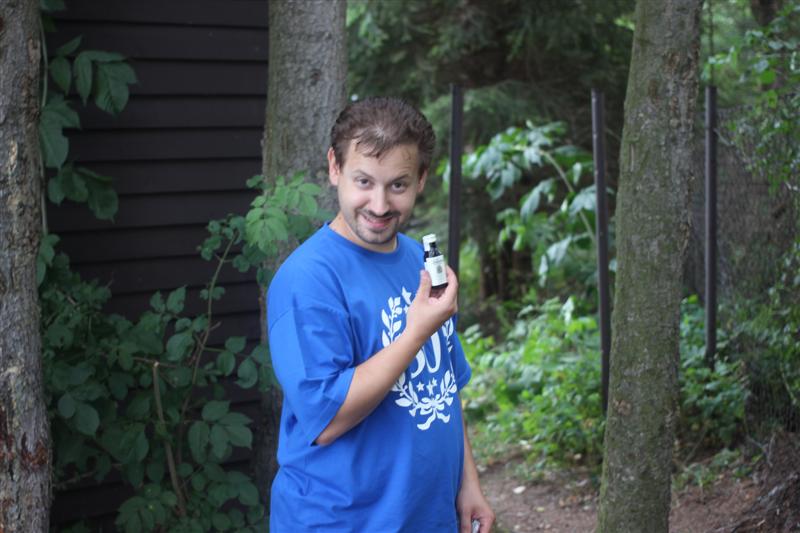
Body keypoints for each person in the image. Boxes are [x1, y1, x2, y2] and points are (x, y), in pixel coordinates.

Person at [267, 96, 495, 533]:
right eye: (364, 182)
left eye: (398, 185)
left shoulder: (419, 262)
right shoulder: (308, 279)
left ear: (421, 179)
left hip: (426, 518)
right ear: (334, 167)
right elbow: (327, 420)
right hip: (343, 522)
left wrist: (468, 485)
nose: (379, 204)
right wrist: (415, 333)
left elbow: (444, 387)